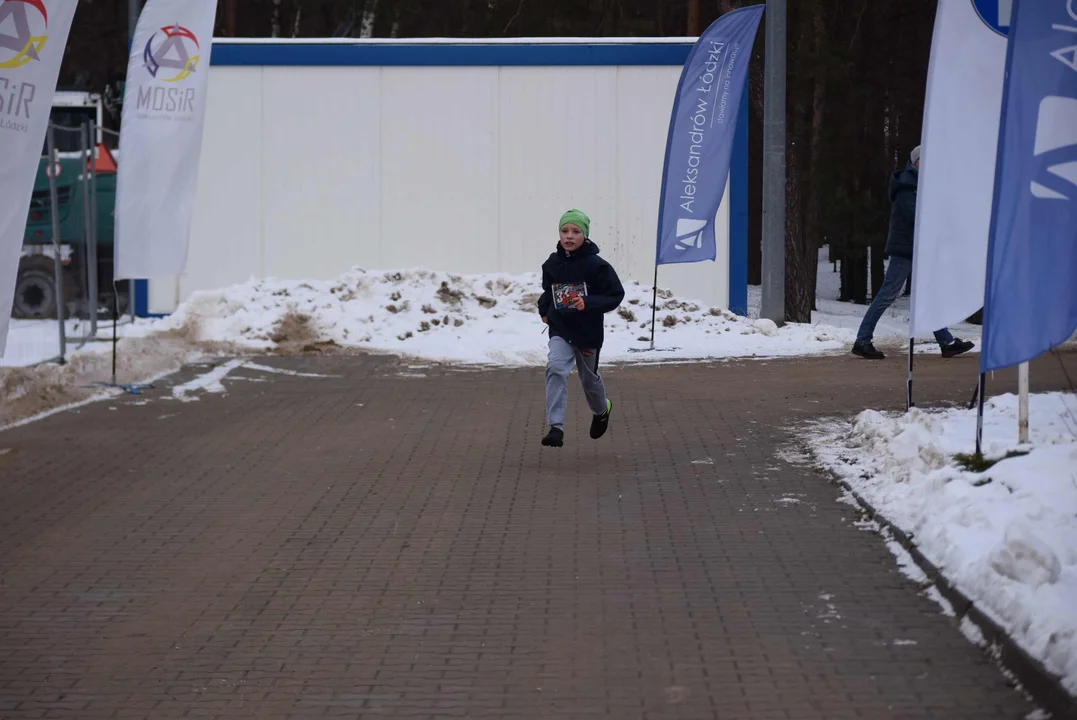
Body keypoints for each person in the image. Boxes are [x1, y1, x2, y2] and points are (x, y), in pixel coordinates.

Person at [852, 145, 975, 360]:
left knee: (929, 296)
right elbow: (917, 216)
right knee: (887, 295)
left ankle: (946, 342)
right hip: (906, 250)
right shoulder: (908, 186)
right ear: (917, 161)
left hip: (919, 250)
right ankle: (862, 340)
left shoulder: (921, 184)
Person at [537, 209, 625, 447]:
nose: (569, 236)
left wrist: (589, 302)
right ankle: (555, 427)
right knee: (555, 368)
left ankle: (601, 409)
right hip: (561, 329)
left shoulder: (597, 266)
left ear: (584, 235)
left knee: (589, 380)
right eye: (565, 230)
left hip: (587, 332)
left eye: (576, 231)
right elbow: (549, 290)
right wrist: (544, 310)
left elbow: (616, 295)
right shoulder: (552, 263)